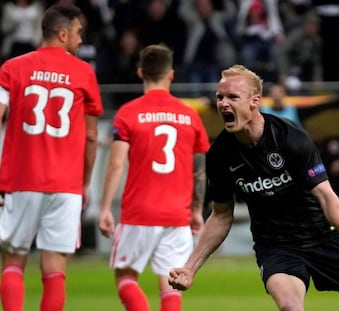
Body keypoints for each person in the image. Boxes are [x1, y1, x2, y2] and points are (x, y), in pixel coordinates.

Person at [168, 65, 339, 311]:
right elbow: (221, 215)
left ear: (254, 101)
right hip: (276, 246)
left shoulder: (290, 137)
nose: (223, 104)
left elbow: (324, 194)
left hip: (323, 238)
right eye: (220, 97)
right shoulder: (220, 155)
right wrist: (190, 268)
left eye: (232, 97)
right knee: (290, 307)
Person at [0, 3, 103, 311]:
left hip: (21, 180)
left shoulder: (12, 68)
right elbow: (91, 136)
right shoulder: (84, 73)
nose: (81, 39)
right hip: (66, 184)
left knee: (13, 261)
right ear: (62, 33)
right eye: (78, 32)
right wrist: (84, 183)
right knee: (55, 268)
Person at [98, 44, 210, 311]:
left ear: (140, 72)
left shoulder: (129, 112)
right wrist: (196, 210)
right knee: (171, 283)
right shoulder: (189, 115)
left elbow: (115, 164)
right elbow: (200, 170)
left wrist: (104, 207)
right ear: (171, 74)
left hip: (139, 211)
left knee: (125, 278)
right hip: (177, 214)